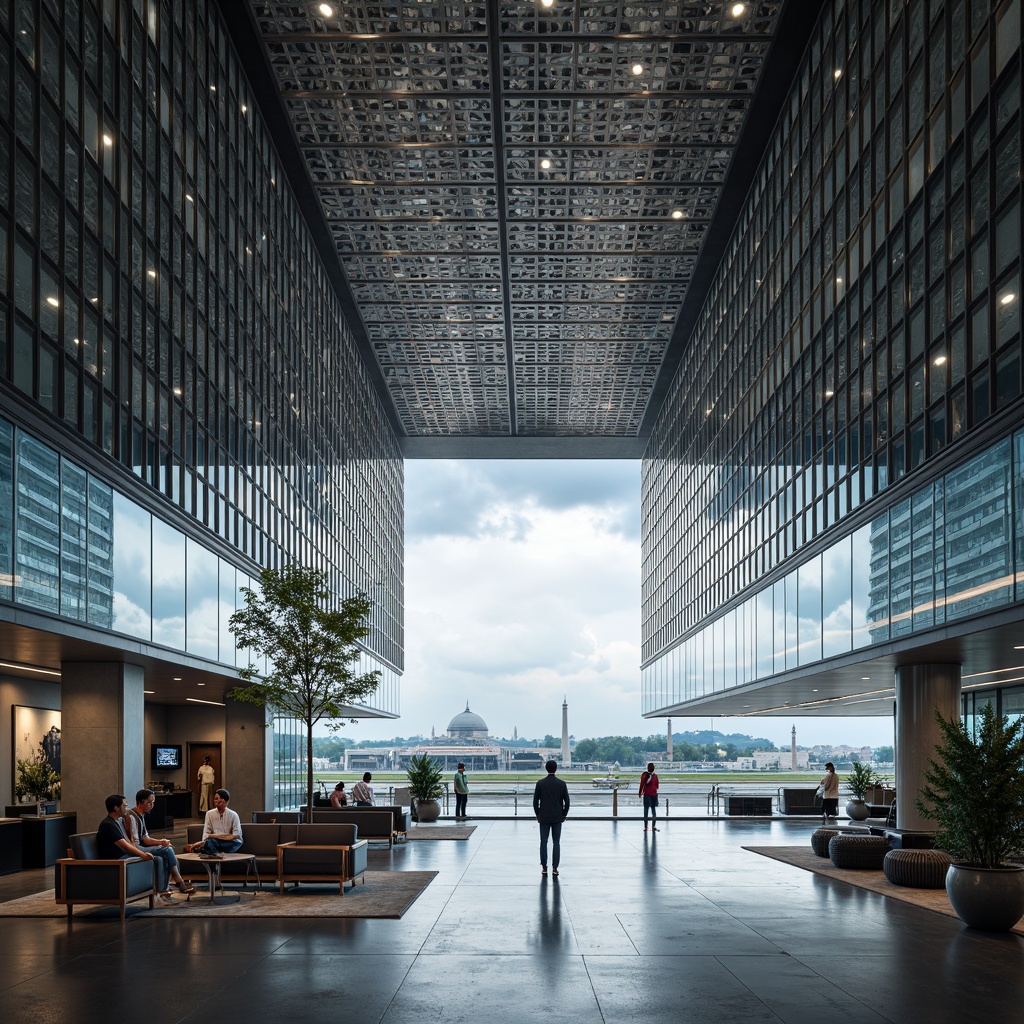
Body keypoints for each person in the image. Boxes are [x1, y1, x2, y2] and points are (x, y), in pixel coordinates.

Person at [125, 789, 195, 899]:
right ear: (141, 801)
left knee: (166, 848)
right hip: (137, 849)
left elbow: (145, 838)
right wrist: (160, 844)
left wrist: (161, 842)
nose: (152, 805)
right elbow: (134, 843)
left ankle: (164, 889)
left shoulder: (141, 816)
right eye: (150, 802)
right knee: (167, 851)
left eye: (153, 802)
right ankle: (179, 881)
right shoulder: (131, 816)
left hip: (141, 846)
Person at [96, 794, 163, 896]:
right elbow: (124, 846)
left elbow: (128, 842)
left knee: (158, 858)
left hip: (123, 856)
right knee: (157, 858)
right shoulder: (108, 825)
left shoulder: (117, 821)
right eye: (124, 805)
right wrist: (143, 855)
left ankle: (160, 892)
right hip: (117, 860)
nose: (126, 808)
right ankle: (160, 893)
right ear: (116, 808)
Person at [533, 760, 570, 877]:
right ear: (556, 768)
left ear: (546, 769)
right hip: (557, 817)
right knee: (556, 842)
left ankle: (544, 867)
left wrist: (537, 814)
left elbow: (535, 802)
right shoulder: (561, 784)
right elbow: (567, 801)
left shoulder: (540, 783)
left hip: (544, 817)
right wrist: (564, 814)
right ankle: (555, 868)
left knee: (543, 842)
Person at [186, 789, 243, 856]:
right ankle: (213, 853)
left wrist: (213, 836)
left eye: (216, 799)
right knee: (210, 842)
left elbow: (236, 835)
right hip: (215, 842)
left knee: (212, 842)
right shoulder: (209, 814)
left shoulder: (233, 815)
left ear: (223, 801)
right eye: (215, 799)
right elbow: (206, 834)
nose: (214, 801)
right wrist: (206, 840)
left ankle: (206, 851)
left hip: (231, 843)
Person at [639, 762, 660, 832]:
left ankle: (645, 827)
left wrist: (640, 792)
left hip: (647, 794)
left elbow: (642, 784)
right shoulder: (655, 776)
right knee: (653, 810)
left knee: (646, 810)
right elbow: (657, 786)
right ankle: (653, 826)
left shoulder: (645, 775)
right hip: (654, 794)